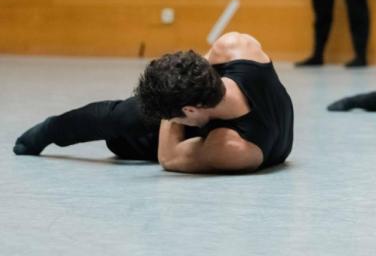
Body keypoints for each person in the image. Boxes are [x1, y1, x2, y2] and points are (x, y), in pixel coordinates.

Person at [13, 32, 294, 174]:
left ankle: (132, 130)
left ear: (189, 110)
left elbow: (169, 159)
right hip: (202, 114)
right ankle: (51, 129)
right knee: (123, 117)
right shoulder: (234, 46)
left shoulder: (229, 147)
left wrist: (169, 111)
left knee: (123, 142)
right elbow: (193, 68)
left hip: (221, 133)